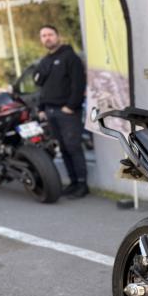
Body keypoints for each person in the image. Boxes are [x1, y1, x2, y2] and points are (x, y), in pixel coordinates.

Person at [35, 24, 89, 198]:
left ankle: (82, 184)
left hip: (67, 112)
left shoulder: (70, 57)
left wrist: (71, 106)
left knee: (73, 147)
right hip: (50, 112)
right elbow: (41, 85)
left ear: (58, 36)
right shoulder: (45, 61)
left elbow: (78, 84)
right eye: (43, 36)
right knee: (64, 148)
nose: (47, 38)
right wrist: (41, 108)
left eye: (50, 34)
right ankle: (73, 182)